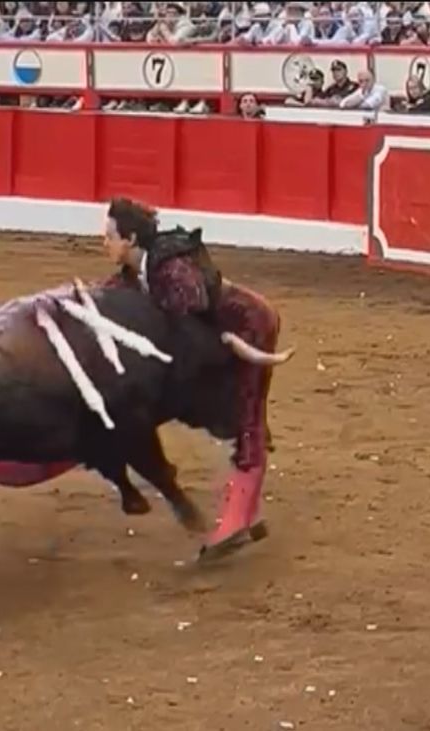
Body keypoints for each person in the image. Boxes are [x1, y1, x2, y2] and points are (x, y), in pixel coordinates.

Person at [99, 197, 284, 559]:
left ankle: (236, 520)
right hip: (212, 340)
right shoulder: (135, 274)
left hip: (247, 328)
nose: (103, 242)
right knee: (234, 415)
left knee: (248, 415)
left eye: (109, 236)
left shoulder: (169, 265)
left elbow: (193, 303)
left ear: (131, 239)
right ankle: (246, 510)